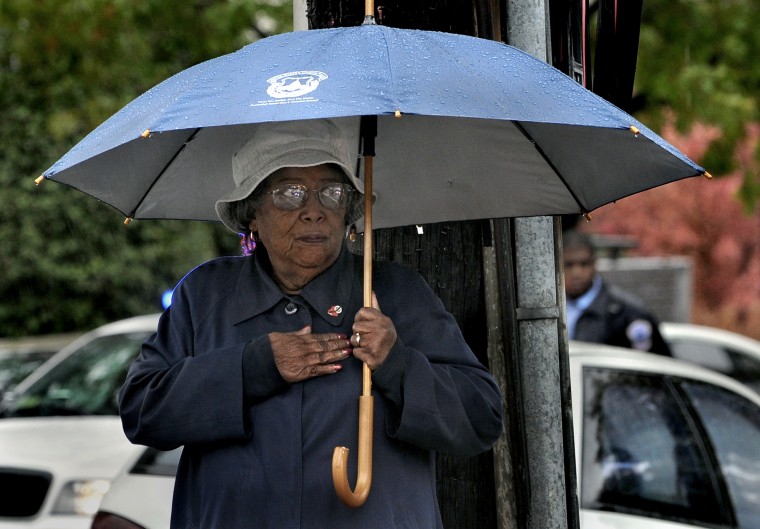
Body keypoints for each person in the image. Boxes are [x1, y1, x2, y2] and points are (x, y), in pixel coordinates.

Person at [118, 119, 504, 529]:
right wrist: (252, 369)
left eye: (331, 193)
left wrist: (398, 364)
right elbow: (142, 410)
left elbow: (481, 418)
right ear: (251, 214)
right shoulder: (206, 295)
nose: (314, 212)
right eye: (289, 194)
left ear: (349, 211)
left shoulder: (398, 293)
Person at [562, 229, 672, 355]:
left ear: (594, 264)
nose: (577, 273)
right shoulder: (555, 308)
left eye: (584, 264)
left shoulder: (626, 314)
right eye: (569, 265)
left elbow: (656, 365)